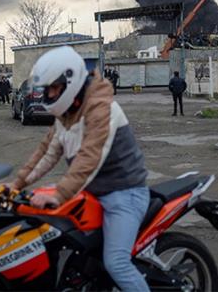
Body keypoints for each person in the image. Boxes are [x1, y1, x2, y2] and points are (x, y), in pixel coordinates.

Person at [8, 46, 149, 292]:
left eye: (54, 88)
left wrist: (58, 194)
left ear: (70, 83)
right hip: (91, 194)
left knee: (116, 263)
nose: (50, 94)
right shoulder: (66, 114)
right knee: (61, 241)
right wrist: (17, 184)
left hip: (124, 194)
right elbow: (46, 153)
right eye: (47, 89)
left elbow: (89, 158)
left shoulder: (103, 110)